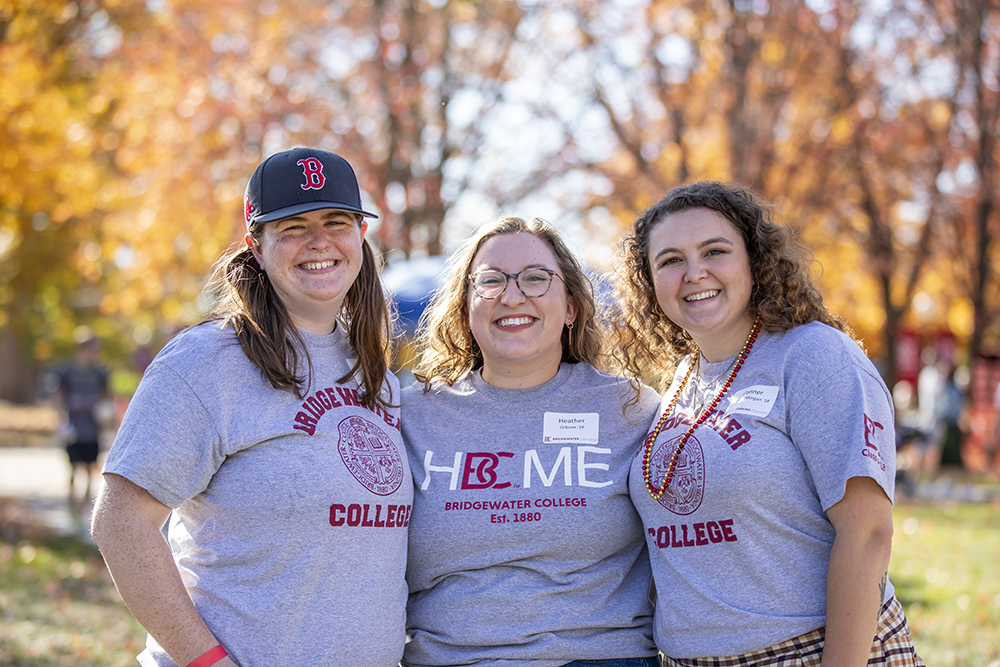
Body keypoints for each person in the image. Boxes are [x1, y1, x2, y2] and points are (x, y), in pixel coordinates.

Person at [90, 148, 411, 667]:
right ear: (256, 248)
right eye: (292, 226)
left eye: (336, 221)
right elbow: (121, 523)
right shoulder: (206, 363)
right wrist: (208, 663)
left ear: (361, 237)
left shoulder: (374, 371)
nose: (319, 241)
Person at [614, 181, 923, 666]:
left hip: (810, 652)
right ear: (649, 283)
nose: (694, 273)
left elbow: (868, 533)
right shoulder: (682, 379)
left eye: (714, 251)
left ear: (754, 261)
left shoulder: (814, 356)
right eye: (670, 260)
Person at [402, 215, 661, 667]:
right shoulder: (409, 418)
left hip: (599, 659)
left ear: (572, 306)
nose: (512, 295)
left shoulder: (632, 410)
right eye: (490, 280)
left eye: (537, 278)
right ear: (465, 306)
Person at [55, 336, 110, 508]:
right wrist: (62, 420)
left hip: (92, 426)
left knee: (89, 465)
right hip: (74, 424)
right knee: (73, 465)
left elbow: (105, 396)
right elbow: (57, 396)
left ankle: (86, 502)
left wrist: (106, 417)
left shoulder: (100, 374)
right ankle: (71, 500)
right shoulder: (67, 372)